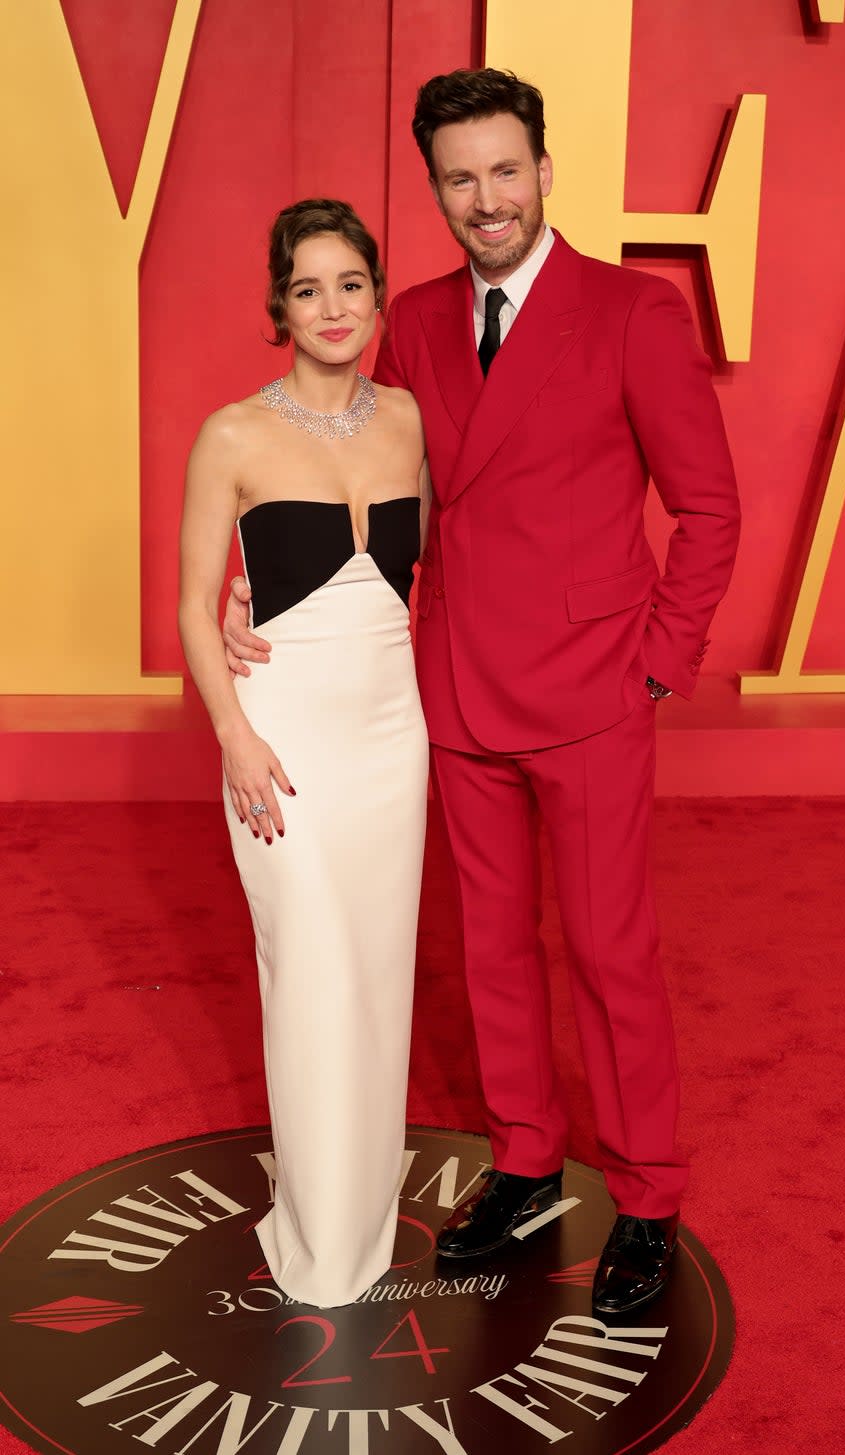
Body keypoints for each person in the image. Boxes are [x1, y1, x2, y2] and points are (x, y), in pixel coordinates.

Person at [225, 70, 741, 1315]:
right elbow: (350, 459)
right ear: (438, 191)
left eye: (505, 170)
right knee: (493, 950)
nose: (485, 198)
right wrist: (256, 580)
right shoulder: (407, 317)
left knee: (613, 950)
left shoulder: (631, 310)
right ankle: (520, 1157)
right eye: (459, 178)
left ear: (545, 171)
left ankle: (650, 1191)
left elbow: (710, 509)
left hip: (594, 689)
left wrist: (658, 661)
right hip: (449, 688)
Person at [179, 199, 429, 1308]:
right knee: (312, 974)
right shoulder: (232, 434)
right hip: (280, 739)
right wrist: (234, 732)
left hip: (392, 735)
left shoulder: (411, 419)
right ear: (277, 303)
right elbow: (193, 605)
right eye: (308, 288)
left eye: (351, 286)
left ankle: (359, 1224)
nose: (333, 308)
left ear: (377, 297)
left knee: (377, 976)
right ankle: (321, 1248)